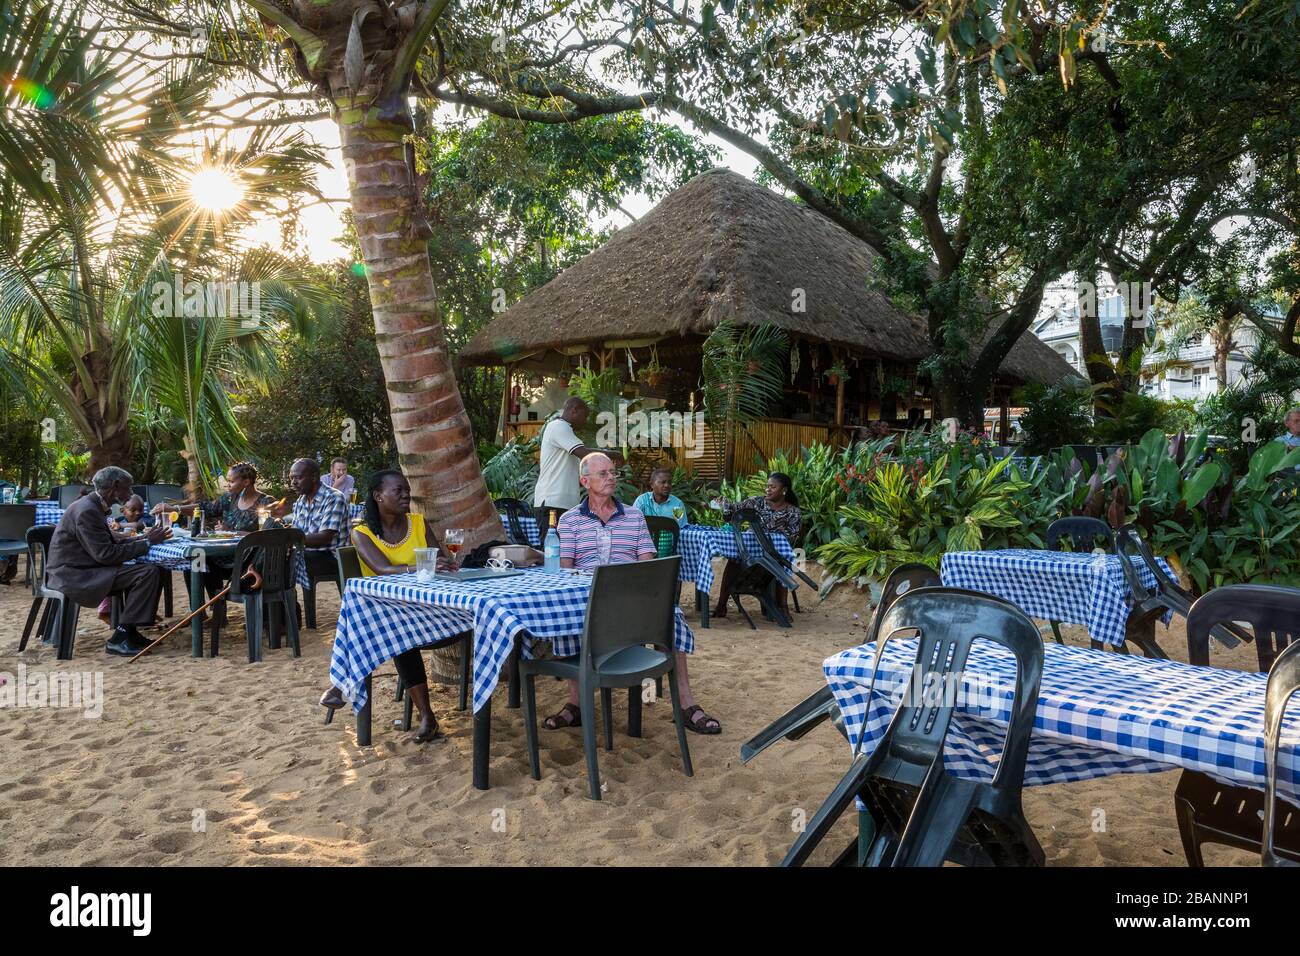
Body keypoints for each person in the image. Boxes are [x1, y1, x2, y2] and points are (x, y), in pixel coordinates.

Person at [546, 452, 721, 735]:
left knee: (669, 614)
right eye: (603, 473)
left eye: (613, 472)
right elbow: (564, 572)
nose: (611, 477)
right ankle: (576, 705)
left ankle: (686, 706)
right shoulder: (570, 521)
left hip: (630, 597)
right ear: (585, 481)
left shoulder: (634, 516)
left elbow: (648, 566)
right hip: (587, 596)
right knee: (572, 613)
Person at [318, 470, 456, 742]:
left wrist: (447, 564)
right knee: (400, 634)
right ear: (378, 496)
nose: (406, 495)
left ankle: (344, 682)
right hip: (383, 612)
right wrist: (422, 566)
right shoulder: (362, 533)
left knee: (399, 631)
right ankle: (427, 715)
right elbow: (381, 569)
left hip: (426, 609)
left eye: (407, 490)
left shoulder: (418, 523)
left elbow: (440, 560)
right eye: (399, 490)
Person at [46, 466, 169, 655]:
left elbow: (110, 541)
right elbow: (106, 554)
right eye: (128, 488)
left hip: (82, 568)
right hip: (75, 575)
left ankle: (131, 632)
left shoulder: (92, 505)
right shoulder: (88, 511)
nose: (130, 493)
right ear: (115, 486)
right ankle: (120, 637)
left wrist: (144, 539)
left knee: (156, 569)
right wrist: (146, 543)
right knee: (148, 572)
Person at [710, 472, 802, 620]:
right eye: (767, 486)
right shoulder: (757, 502)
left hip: (775, 554)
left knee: (783, 562)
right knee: (734, 560)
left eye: (773, 487)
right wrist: (724, 503)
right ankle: (721, 605)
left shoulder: (793, 512)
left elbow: (792, 536)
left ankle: (783, 608)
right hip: (751, 550)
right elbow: (733, 511)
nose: (768, 490)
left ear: (784, 490)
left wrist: (770, 529)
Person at [532, 397, 624, 530]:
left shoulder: (566, 431)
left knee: (565, 549)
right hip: (552, 502)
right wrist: (612, 454)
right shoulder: (558, 426)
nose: (585, 421)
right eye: (584, 416)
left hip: (563, 504)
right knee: (551, 548)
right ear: (574, 410)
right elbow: (583, 452)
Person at [269, 458, 349, 581]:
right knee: (272, 556)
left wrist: (286, 539)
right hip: (306, 553)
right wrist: (278, 521)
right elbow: (297, 532)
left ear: (314, 477)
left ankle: (284, 599)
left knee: (283, 560)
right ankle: (280, 599)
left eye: (298, 478)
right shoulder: (301, 500)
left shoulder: (333, 497)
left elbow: (324, 538)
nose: (293, 483)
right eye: (291, 478)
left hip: (331, 557)